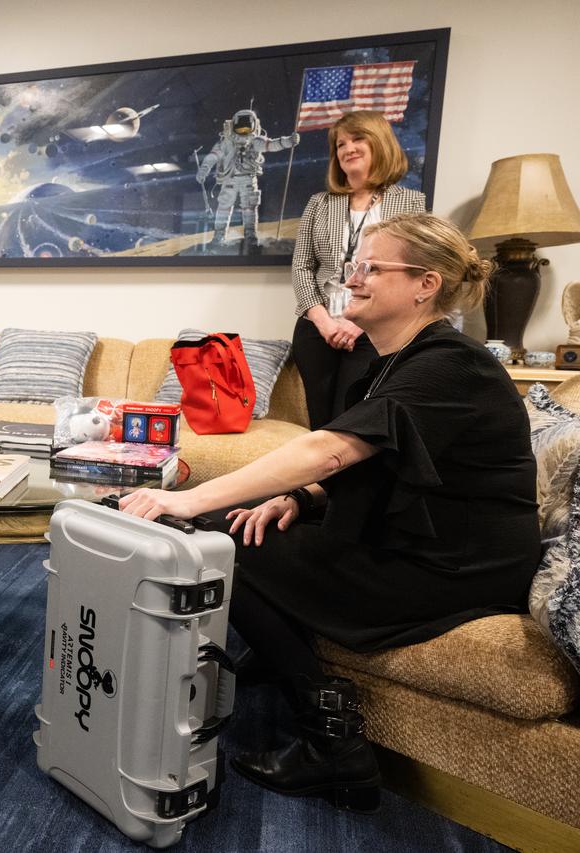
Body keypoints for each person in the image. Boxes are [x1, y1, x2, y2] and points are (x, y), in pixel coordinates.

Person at [120, 212, 538, 813]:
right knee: (243, 522)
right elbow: (379, 464)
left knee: (211, 536)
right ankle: (276, 647)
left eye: (371, 267)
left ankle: (333, 743)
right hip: (422, 535)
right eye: (354, 265)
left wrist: (181, 498)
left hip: (453, 566)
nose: (353, 277)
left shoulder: (455, 363)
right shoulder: (388, 361)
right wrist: (296, 497)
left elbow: (330, 449)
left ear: (427, 283)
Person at [290, 110, 426, 429]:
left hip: (373, 328)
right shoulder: (319, 203)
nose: (348, 148)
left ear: (380, 143)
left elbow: (412, 271)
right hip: (317, 329)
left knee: (353, 418)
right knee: (320, 422)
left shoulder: (410, 203)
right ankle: (320, 480)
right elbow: (301, 267)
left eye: (358, 138)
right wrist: (323, 321)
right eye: (341, 144)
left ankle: (348, 479)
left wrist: (359, 323)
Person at [196, 108, 300, 248]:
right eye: (240, 127)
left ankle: (250, 236)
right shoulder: (227, 142)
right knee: (224, 207)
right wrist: (204, 170)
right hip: (230, 179)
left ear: (254, 126)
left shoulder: (255, 141)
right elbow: (212, 157)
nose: (244, 131)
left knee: (249, 208)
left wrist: (288, 141)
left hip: (247, 180)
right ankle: (219, 236)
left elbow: (272, 144)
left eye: (247, 127)